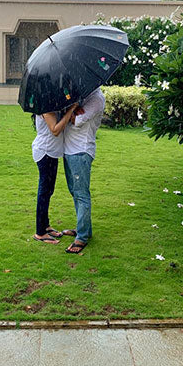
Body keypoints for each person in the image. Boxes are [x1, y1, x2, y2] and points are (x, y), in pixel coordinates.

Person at [62, 87, 105, 253]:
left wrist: (71, 111)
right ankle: (83, 228)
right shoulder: (82, 96)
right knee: (75, 192)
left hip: (81, 151)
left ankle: (82, 237)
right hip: (69, 150)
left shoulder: (96, 99)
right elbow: (68, 116)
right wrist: (73, 108)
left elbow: (76, 121)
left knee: (81, 194)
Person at [32, 103, 78, 243]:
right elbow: (55, 130)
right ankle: (40, 232)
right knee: (44, 192)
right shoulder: (45, 107)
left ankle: (45, 226)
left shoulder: (53, 106)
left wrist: (70, 111)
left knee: (48, 191)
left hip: (52, 152)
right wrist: (70, 110)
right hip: (45, 152)